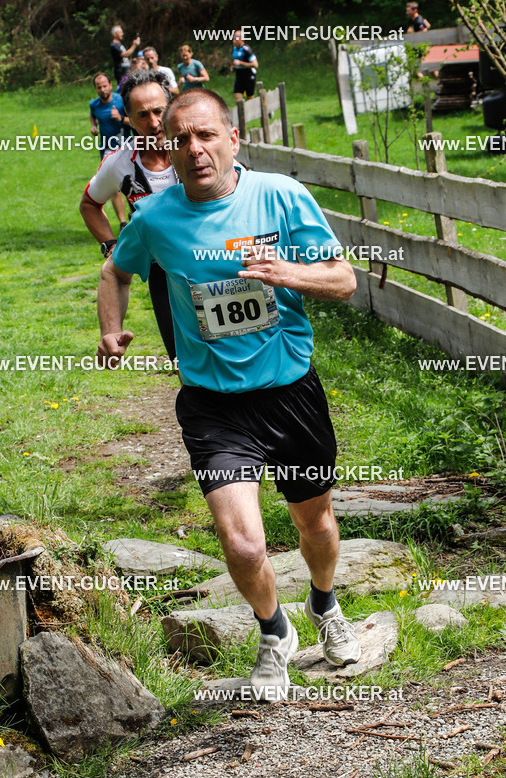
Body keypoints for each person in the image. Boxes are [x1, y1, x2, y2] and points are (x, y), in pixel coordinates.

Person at [96, 89, 363, 698]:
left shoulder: (280, 195)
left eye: (206, 135)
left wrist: (286, 273)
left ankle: (324, 603)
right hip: (213, 404)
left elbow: (344, 279)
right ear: (167, 148)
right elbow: (116, 269)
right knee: (242, 544)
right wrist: (111, 328)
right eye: (180, 140)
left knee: (316, 524)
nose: (194, 149)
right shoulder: (154, 219)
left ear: (233, 138)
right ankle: (274, 631)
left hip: (290, 394)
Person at [80, 69, 178, 361]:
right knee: (182, 364)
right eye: (143, 115)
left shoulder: (197, 147)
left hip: (213, 263)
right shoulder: (119, 162)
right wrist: (110, 245)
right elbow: (89, 204)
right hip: (163, 273)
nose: (154, 122)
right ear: (129, 119)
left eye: (159, 111)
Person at [89, 73, 131, 232]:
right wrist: (94, 126)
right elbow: (93, 116)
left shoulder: (122, 101)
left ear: (111, 85)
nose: (102, 89)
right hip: (107, 150)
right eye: (99, 87)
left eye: (105, 86)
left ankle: (134, 214)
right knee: (114, 187)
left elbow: (134, 122)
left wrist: (120, 118)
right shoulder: (94, 104)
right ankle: (123, 223)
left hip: (127, 148)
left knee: (131, 184)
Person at [231, 29, 258, 102]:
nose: (234, 41)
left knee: (250, 101)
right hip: (239, 76)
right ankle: (241, 110)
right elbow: (237, 62)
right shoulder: (234, 49)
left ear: (242, 39)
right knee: (238, 100)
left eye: (236, 39)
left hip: (249, 76)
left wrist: (240, 63)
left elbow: (255, 65)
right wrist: (234, 67)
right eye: (233, 39)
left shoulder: (246, 49)